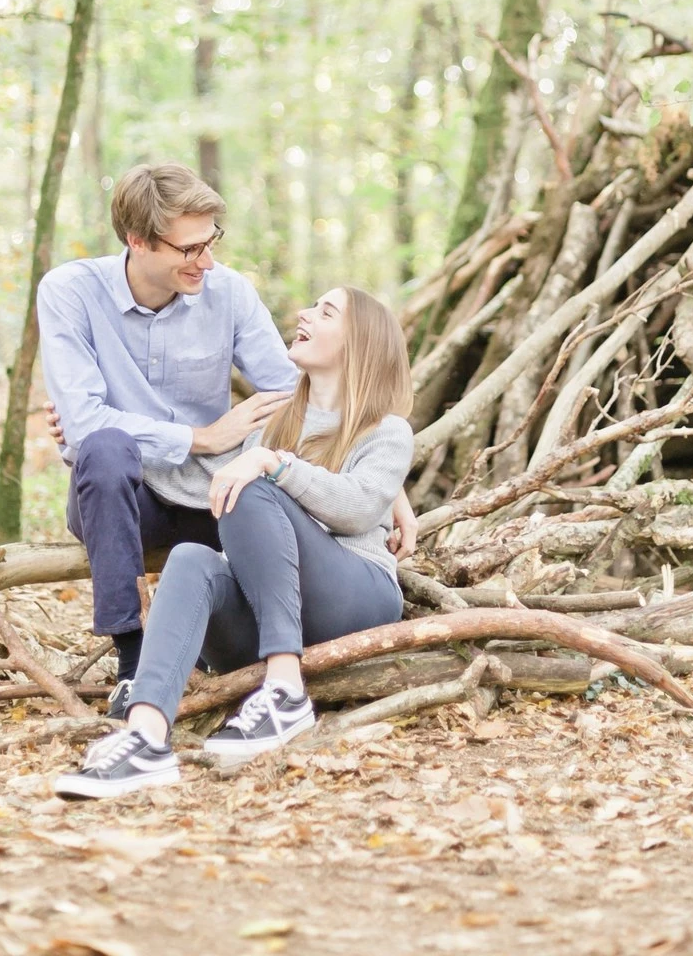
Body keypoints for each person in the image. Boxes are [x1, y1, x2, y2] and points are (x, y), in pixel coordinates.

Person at [38, 163, 416, 719]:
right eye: (190, 250)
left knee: (244, 491)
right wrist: (200, 436)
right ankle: (131, 662)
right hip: (123, 498)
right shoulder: (70, 292)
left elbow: (306, 390)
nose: (207, 261)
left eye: (211, 242)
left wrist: (384, 489)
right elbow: (86, 422)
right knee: (104, 446)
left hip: (214, 496)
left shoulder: (229, 293)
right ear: (138, 241)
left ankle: (272, 678)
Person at [54, 285, 414, 800]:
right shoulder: (273, 420)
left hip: (355, 596)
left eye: (325, 311)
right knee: (192, 558)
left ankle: (285, 691)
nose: (304, 313)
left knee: (252, 485)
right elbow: (197, 477)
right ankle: (146, 739)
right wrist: (89, 439)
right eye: (311, 303)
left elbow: (357, 507)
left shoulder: (388, 430)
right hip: (268, 615)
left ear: (359, 344)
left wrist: (274, 465)